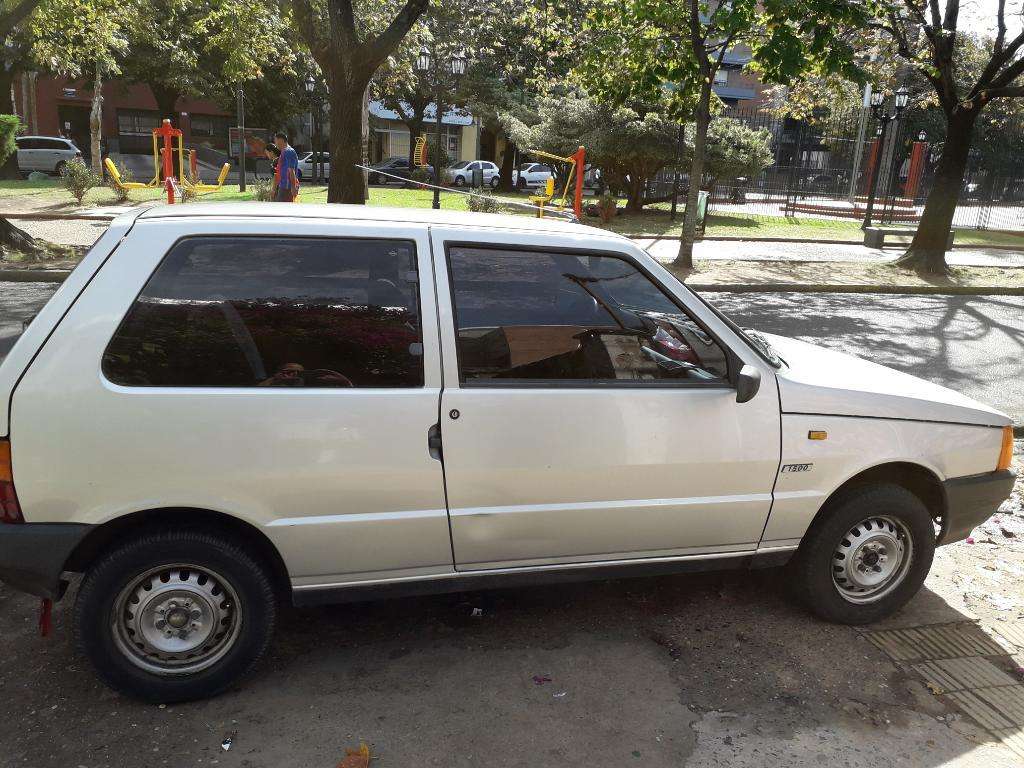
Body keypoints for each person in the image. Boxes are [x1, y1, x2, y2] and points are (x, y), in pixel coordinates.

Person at [274, 132, 299, 202]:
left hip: (287, 187)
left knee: (282, 209)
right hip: (283, 185)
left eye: (275, 141)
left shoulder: (289, 151)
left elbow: (291, 170)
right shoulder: (284, 151)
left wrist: (293, 187)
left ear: (280, 140)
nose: (275, 144)